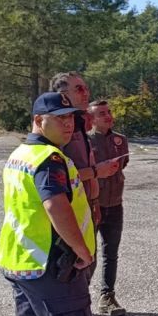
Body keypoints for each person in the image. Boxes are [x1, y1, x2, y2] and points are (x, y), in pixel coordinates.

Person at [0, 92, 95, 316]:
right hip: (49, 266)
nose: (68, 123)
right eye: (60, 118)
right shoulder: (49, 159)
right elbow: (56, 206)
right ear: (39, 121)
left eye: (70, 117)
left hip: (20, 261)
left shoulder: (20, 154)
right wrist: (82, 251)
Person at [50, 72, 119, 287]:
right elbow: (59, 174)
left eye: (86, 88)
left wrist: (95, 202)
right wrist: (97, 171)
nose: (86, 92)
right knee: (75, 269)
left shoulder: (78, 124)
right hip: (72, 208)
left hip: (89, 205)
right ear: (63, 95)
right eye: (79, 89)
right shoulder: (60, 130)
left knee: (88, 266)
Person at [88, 100, 129, 316]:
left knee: (110, 253)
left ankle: (107, 296)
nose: (108, 116)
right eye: (101, 113)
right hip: (92, 205)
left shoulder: (120, 140)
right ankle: (80, 298)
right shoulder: (84, 141)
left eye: (109, 112)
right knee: (87, 254)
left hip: (115, 205)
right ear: (91, 119)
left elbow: (124, 164)